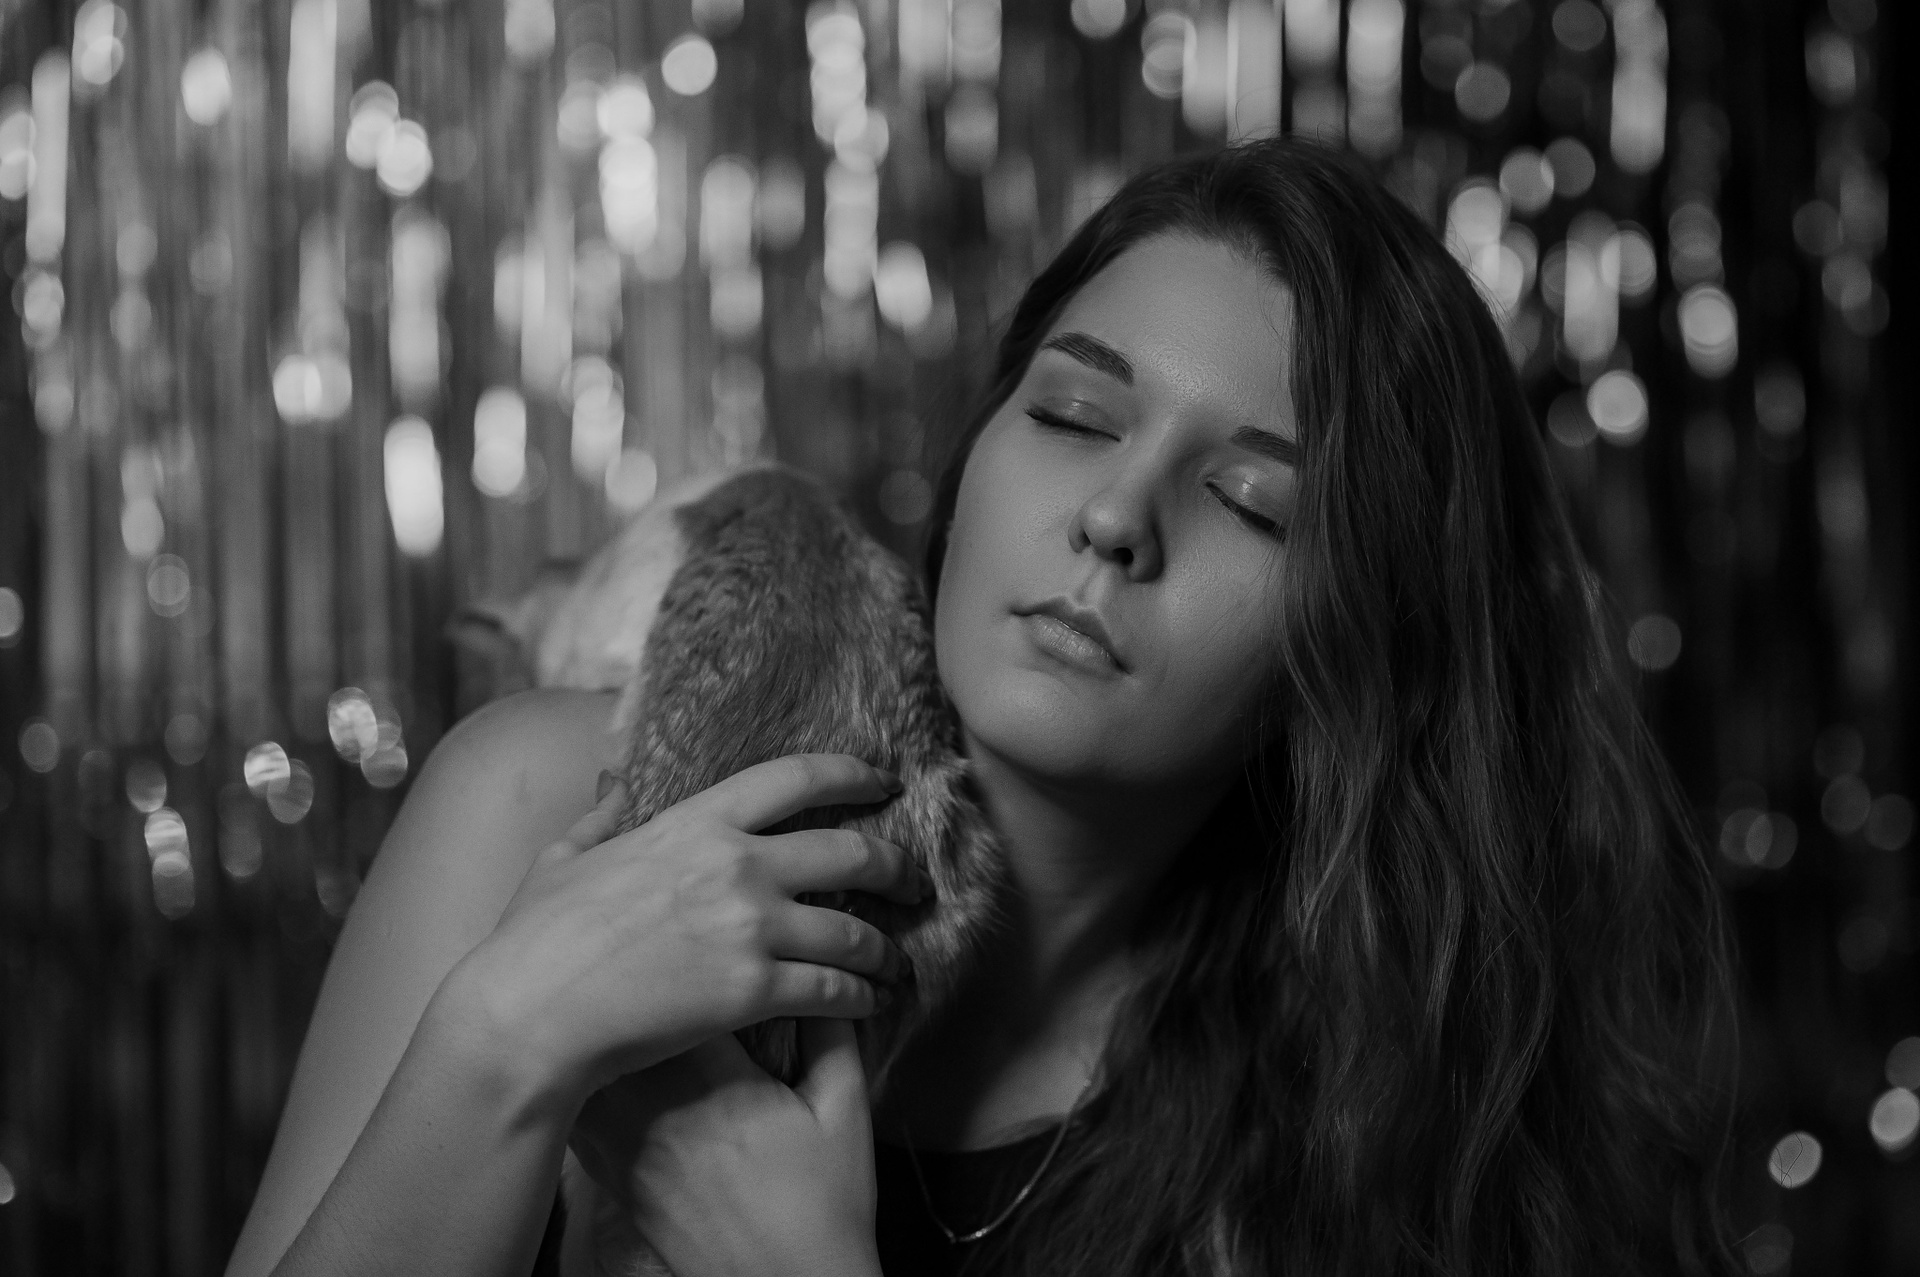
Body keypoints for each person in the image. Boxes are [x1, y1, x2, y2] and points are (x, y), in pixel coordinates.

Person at [225, 138, 1739, 1277]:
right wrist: (504, 1035)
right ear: (977, 454)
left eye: (1254, 503)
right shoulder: (548, 804)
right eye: (1074, 416)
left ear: (1357, 651)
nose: (1117, 519)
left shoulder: (1387, 1152)